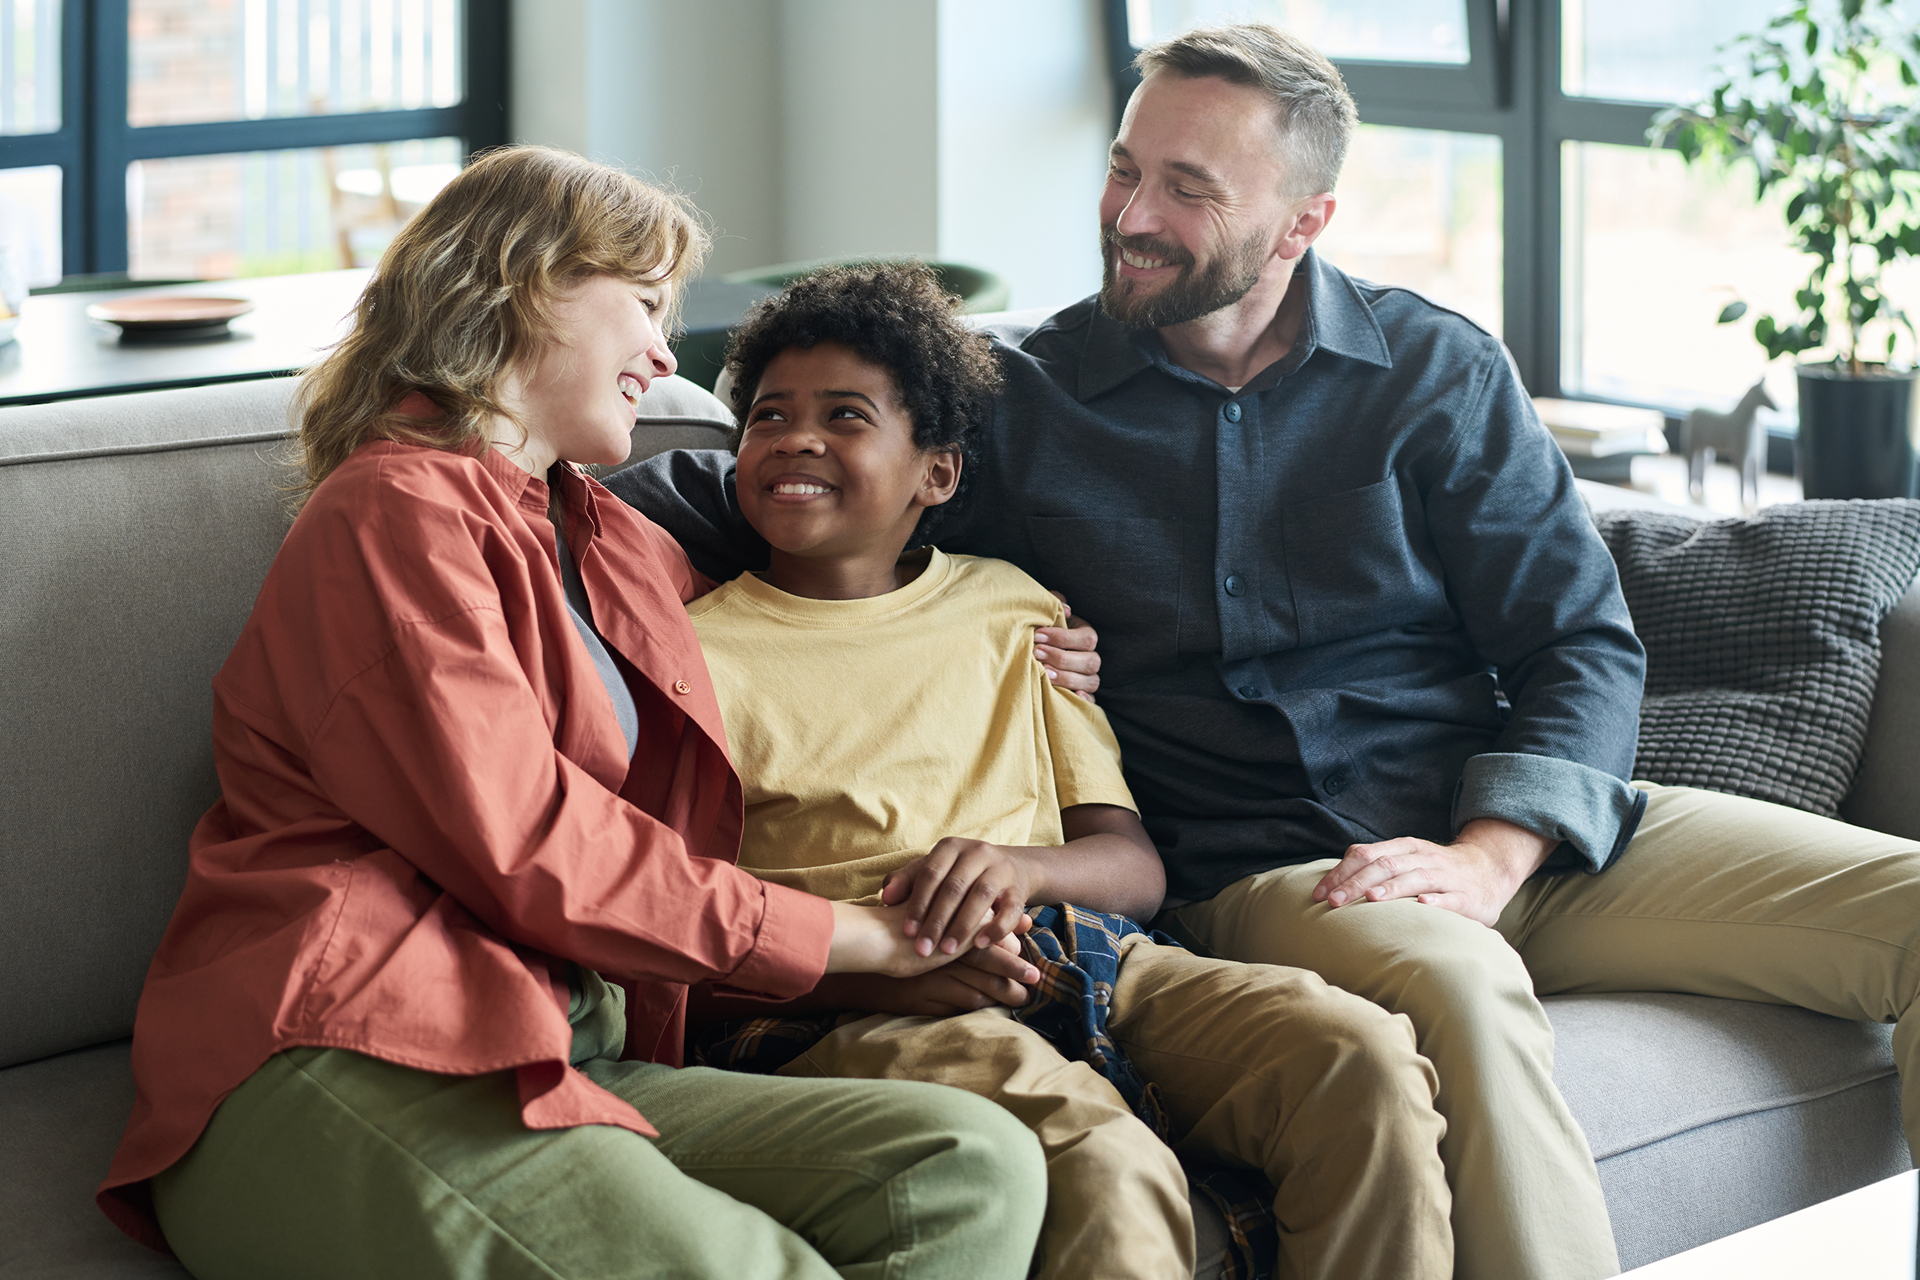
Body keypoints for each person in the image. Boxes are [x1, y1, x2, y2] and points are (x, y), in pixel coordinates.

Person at [608, 22, 1920, 1280]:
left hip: (1507, 838)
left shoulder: (1434, 373)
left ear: (1304, 222)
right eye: (1125, 167)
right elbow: (806, 512)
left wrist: (1490, 852)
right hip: (1280, 872)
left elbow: (1579, 642)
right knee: (1456, 986)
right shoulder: (1025, 409)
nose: (1129, 214)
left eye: (1187, 189)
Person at [95, 145, 1051, 1280]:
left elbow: (801, 639)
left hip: (560, 1042)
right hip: (343, 1048)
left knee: (966, 1163)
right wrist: (869, 940)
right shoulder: (390, 514)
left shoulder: (617, 540)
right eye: (645, 304)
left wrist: (1018, 638)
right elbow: (536, 842)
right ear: (523, 279)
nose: (664, 351)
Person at [650, 261, 1453, 1280]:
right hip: (858, 1003)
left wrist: (1018, 868)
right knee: (1107, 1161)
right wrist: (887, 961)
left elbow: (1131, 865)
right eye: (768, 417)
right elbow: (675, 917)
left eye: (845, 415)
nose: (796, 439)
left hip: (1088, 949)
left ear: (935, 474)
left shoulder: (1018, 611)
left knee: (1361, 1056)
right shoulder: (690, 656)